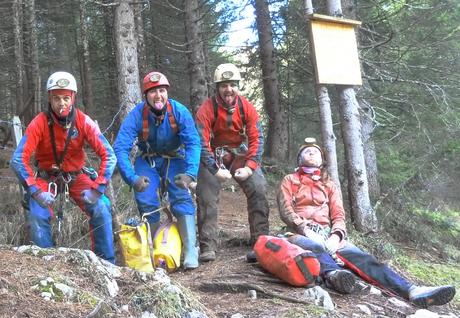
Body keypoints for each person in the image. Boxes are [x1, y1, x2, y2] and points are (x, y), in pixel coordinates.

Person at [277, 137, 456, 307]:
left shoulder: (329, 184)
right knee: (311, 246)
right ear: (299, 158)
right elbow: (286, 211)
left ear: (321, 160)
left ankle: (412, 290)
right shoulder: (289, 180)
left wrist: (336, 235)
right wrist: (305, 229)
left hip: (328, 234)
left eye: (315, 152)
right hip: (298, 232)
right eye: (307, 151)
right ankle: (334, 276)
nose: (311, 154)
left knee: (363, 258)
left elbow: (338, 215)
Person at [10, 71, 117, 263]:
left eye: (66, 98)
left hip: (76, 176)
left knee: (101, 207)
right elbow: (18, 159)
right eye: (57, 98)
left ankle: (106, 264)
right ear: (49, 99)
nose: (62, 104)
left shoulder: (84, 121)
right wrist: (35, 191)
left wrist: (98, 188)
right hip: (45, 178)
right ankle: (45, 264)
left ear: (73, 98)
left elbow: (109, 155)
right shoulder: (39, 123)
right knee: (37, 213)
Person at [113, 71, 201, 269]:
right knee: (146, 200)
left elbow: (193, 143)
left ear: (167, 92)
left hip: (175, 158)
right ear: (146, 96)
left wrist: (190, 174)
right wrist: (132, 178)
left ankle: (189, 250)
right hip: (149, 160)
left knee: (181, 196)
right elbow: (120, 147)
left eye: (161, 90)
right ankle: (151, 251)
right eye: (152, 92)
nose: (158, 96)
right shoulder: (137, 115)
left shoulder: (179, 111)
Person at [195, 63, 269, 262]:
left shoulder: (247, 107)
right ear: (217, 88)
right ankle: (208, 245)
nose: (228, 89)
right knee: (206, 193)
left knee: (258, 187)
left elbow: (256, 138)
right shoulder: (206, 109)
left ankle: (261, 240)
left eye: (232, 85)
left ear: (238, 86)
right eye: (223, 85)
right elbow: (201, 142)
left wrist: (250, 167)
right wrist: (214, 169)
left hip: (239, 153)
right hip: (213, 153)